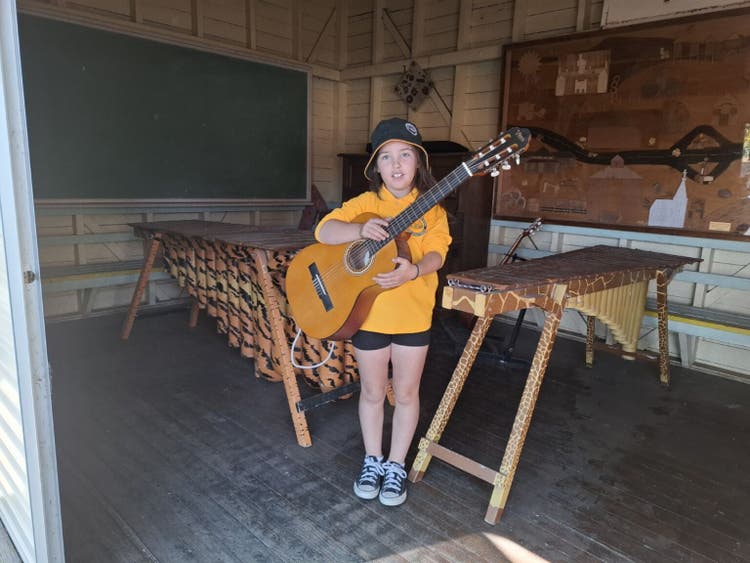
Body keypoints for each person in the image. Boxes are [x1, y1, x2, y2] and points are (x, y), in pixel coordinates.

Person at [314, 117, 451, 506]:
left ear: (418, 162)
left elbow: (438, 254)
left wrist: (415, 270)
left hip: (412, 317)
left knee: (406, 394)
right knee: (374, 392)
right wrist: (359, 231)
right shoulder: (366, 205)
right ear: (376, 167)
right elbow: (323, 232)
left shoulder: (432, 209)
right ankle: (372, 459)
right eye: (387, 157)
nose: (396, 165)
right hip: (368, 315)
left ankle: (396, 464)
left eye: (405, 155)